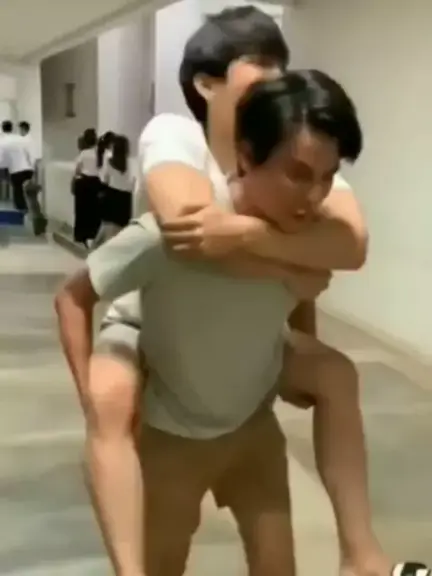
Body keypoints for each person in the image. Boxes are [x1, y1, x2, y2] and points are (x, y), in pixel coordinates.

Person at [56, 7, 426, 576]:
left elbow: (347, 246)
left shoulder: (299, 199)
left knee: (334, 375)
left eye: (324, 178)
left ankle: (361, 555)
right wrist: (92, 397)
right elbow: (179, 234)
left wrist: (285, 274)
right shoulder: (178, 158)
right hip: (168, 397)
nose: (315, 194)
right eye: (259, 72)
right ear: (209, 86)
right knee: (113, 409)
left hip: (249, 420)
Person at [93, 135, 134, 248]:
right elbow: (134, 181)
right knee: (121, 230)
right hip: (126, 198)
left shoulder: (109, 161)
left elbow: (104, 179)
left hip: (112, 195)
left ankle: (97, 249)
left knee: (107, 227)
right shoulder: (132, 162)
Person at [73, 128, 100, 248]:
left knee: (81, 210)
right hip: (96, 183)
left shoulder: (83, 154)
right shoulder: (99, 153)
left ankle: (80, 235)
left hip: (83, 182)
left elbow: (77, 170)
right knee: (94, 210)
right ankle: (93, 234)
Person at [0, 120, 33, 211]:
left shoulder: (2, 141)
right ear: (12, 128)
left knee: (18, 192)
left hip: (16, 170)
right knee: (28, 192)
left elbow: (2, 159)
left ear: (2, 129)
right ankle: (30, 210)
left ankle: (21, 212)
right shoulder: (20, 138)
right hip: (28, 169)